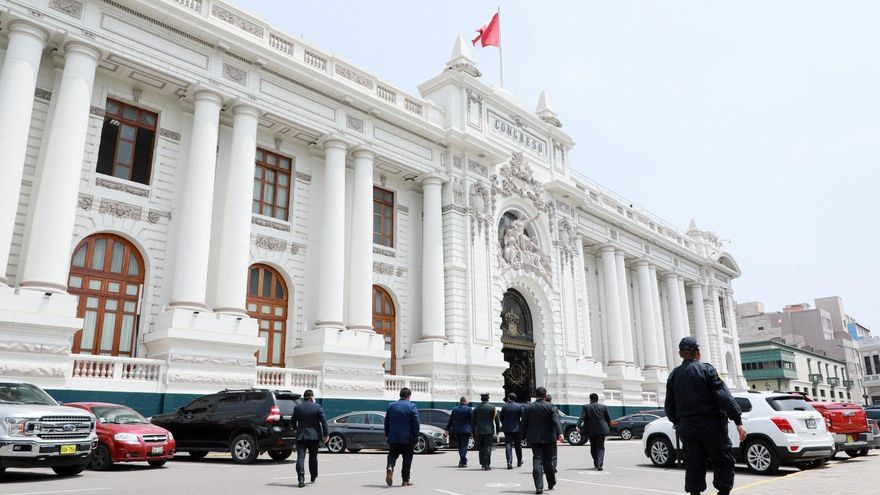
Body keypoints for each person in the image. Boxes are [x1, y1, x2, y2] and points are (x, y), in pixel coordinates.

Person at [665, 336, 746, 495]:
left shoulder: (674, 375)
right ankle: (723, 492)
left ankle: (695, 493)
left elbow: (669, 406)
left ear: (680, 354)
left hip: (687, 428)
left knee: (694, 463)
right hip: (712, 426)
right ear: (698, 353)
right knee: (723, 460)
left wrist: (677, 423)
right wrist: (738, 421)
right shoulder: (707, 370)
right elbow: (724, 397)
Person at [520, 387, 563, 495]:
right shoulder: (551, 406)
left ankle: (539, 487)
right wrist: (560, 433)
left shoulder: (528, 407)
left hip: (534, 439)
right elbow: (556, 420)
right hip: (548, 438)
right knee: (548, 461)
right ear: (545, 395)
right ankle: (551, 482)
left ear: (535, 395)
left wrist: (522, 437)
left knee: (537, 460)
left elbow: (523, 423)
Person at [290, 389, 329, 488]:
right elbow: (324, 422)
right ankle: (313, 475)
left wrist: (296, 429)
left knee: (300, 458)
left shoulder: (297, 407)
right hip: (314, 437)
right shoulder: (317, 407)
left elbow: (293, 421)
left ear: (304, 397)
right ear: (312, 397)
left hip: (301, 437)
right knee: (313, 458)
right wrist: (326, 434)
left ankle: (301, 479)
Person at [384, 387, 420, 487]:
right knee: (407, 458)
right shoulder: (412, 406)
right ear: (409, 396)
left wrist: (387, 434)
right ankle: (405, 480)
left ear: (400, 395)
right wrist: (415, 436)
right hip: (407, 438)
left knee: (392, 455)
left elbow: (387, 422)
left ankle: (390, 466)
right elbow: (416, 423)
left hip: (393, 437)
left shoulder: (391, 406)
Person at [576, 392, 611, 470]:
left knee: (593, 446)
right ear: (597, 399)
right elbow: (608, 418)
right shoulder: (604, 407)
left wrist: (578, 425)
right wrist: (608, 427)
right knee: (600, 447)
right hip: (602, 430)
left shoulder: (586, 407)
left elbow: (582, 417)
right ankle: (599, 464)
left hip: (591, 430)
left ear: (590, 399)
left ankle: (596, 462)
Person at [471, 392, 500, 470]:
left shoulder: (476, 408)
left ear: (481, 399)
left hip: (479, 430)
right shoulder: (492, 407)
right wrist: (498, 430)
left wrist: (472, 430)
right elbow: (497, 420)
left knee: (481, 447)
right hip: (489, 430)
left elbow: (473, 420)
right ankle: (487, 464)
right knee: (488, 447)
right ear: (488, 399)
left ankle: (483, 463)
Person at [445, 396, 473, 468]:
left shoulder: (454, 409)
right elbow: (472, 420)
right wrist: (473, 429)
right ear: (465, 401)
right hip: (466, 430)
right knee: (464, 446)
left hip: (456, 430)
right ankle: (462, 460)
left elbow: (451, 420)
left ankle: (463, 461)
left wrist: (447, 429)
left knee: (460, 446)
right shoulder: (469, 409)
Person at [499, 393, 523, 469]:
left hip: (507, 429)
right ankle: (519, 461)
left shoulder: (504, 406)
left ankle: (509, 462)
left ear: (509, 398)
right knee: (518, 446)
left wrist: (505, 424)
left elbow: (501, 417)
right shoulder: (519, 406)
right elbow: (522, 417)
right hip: (517, 429)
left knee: (508, 445)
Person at [545, 394, 558, 472]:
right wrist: (559, 433)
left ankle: (546, 466)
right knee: (553, 451)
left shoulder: (539, 407)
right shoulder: (554, 407)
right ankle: (553, 466)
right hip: (551, 432)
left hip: (541, 434)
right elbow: (556, 421)